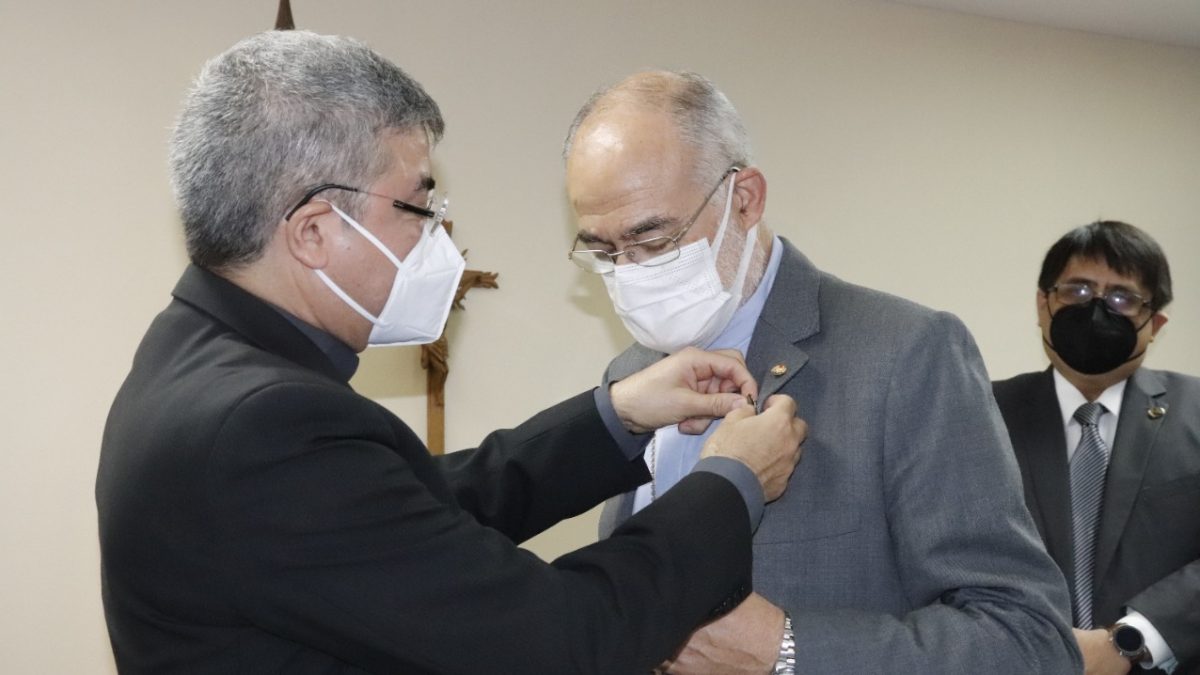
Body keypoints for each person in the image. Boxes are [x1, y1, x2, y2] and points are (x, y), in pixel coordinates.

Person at [96, 31, 807, 674]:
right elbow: (567, 637)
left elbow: (416, 516)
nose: (439, 236)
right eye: (418, 207)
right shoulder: (262, 425)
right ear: (313, 231)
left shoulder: (193, 351)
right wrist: (731, 480)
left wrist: (614, 415)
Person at [562, 70, 1082, 674]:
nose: (631, 271)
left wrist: (785, 650)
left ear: (746, 200)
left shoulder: (904, 353)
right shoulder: (630, 375)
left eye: (653, 238)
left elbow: (1027, 640)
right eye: (604, 250)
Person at [993, 221, 1199, 675]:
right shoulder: (980, 414)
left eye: (1123, 297)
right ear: (1043, 304)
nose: (1097, 308)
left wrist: (1134, 640)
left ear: (1155, 324)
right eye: (1078, 290)